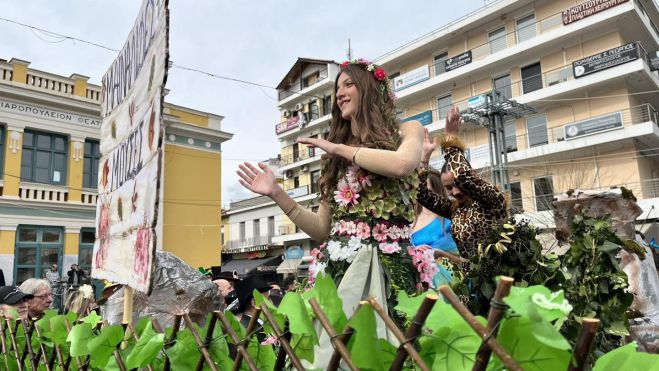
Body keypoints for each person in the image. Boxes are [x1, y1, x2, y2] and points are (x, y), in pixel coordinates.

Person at [237, 58, 425, 349]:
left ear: (371, 90)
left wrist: (338, 148)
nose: (339, 93)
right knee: (335, 352)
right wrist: (277, 194)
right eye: (337, 88)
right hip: (343, 271)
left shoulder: (408, 130)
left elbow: (402, 164)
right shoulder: (335, 159)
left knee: (396, 350)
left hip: (393, 268)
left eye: (348, 84)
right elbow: (323, 230)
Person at [417, 106, 507, 269]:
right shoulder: (455, 210)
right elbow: (422, 195)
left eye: (457, 185)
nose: (456, 192)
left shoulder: (492, 199)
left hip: (500, 280)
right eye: (449, 188)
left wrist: (451, 139)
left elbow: (464, 177)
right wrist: (424, 158)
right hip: (470, 283)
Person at [410, 163, 460, 288]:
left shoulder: (449, 218)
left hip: (449, 282)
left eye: (425, 188)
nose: (419, 190)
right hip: (419, 283)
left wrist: (440, 253)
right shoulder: (410, 217)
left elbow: (466, 260)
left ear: (436, 189)